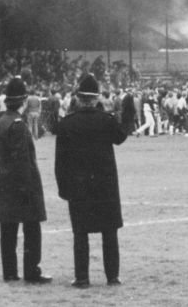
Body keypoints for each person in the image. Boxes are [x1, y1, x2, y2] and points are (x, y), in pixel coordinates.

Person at [54, 73, 128, 288]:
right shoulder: (106, 120)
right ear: (96, 98)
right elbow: (121, 137)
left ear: (77, 98)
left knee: (80, 234)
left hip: (79, 186)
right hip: (105, 186)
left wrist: (63, 188)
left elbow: (60, 162)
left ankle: (82, 277)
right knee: (109, 232)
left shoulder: (67, 123)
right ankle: (112, 276)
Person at [0, 77, 51, 284]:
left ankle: (9, 271)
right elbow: (23, 160)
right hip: (22, 184)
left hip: (4, 182)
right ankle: (31, 270)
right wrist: (29, 188)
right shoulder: (18, 125)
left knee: (7, 229)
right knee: (32, 228)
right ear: (23, 101)